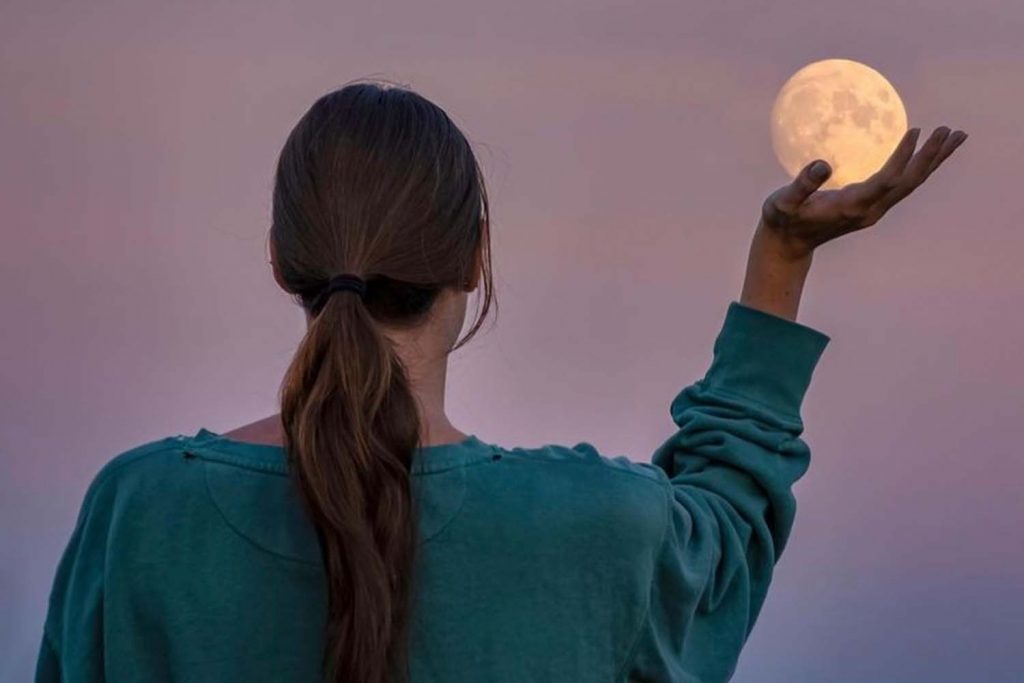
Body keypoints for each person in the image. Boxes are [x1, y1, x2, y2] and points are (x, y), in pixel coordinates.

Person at [34, 79, 967, 683]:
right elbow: (726, 525)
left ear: (283, 260)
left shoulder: (141, 514)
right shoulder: (595, 528)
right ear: (476, 259)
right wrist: (781, 261)